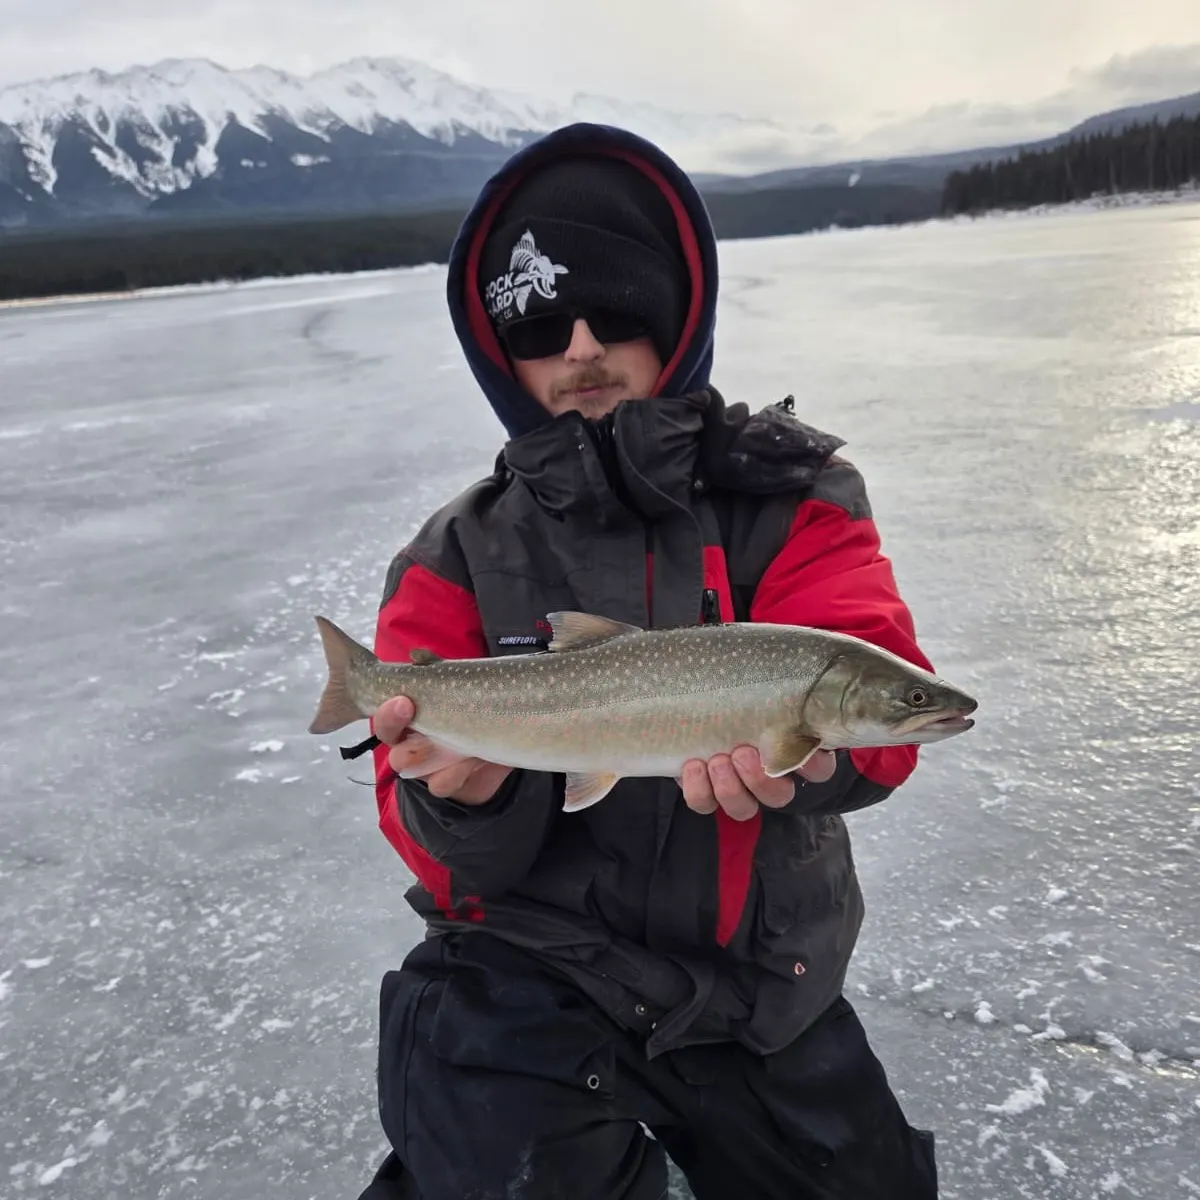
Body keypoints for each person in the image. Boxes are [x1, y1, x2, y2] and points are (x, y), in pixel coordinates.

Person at [355, 122, 940, 1200]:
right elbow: (426, 834)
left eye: (614, 311)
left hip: (760, 980)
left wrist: (817, 760)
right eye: (539, 323)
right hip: (531, 978)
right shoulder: (451, 561)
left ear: (678, 312)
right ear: (501, 348)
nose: (581, 347)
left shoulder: (794, 499)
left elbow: (878, 705)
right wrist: (464, 805)